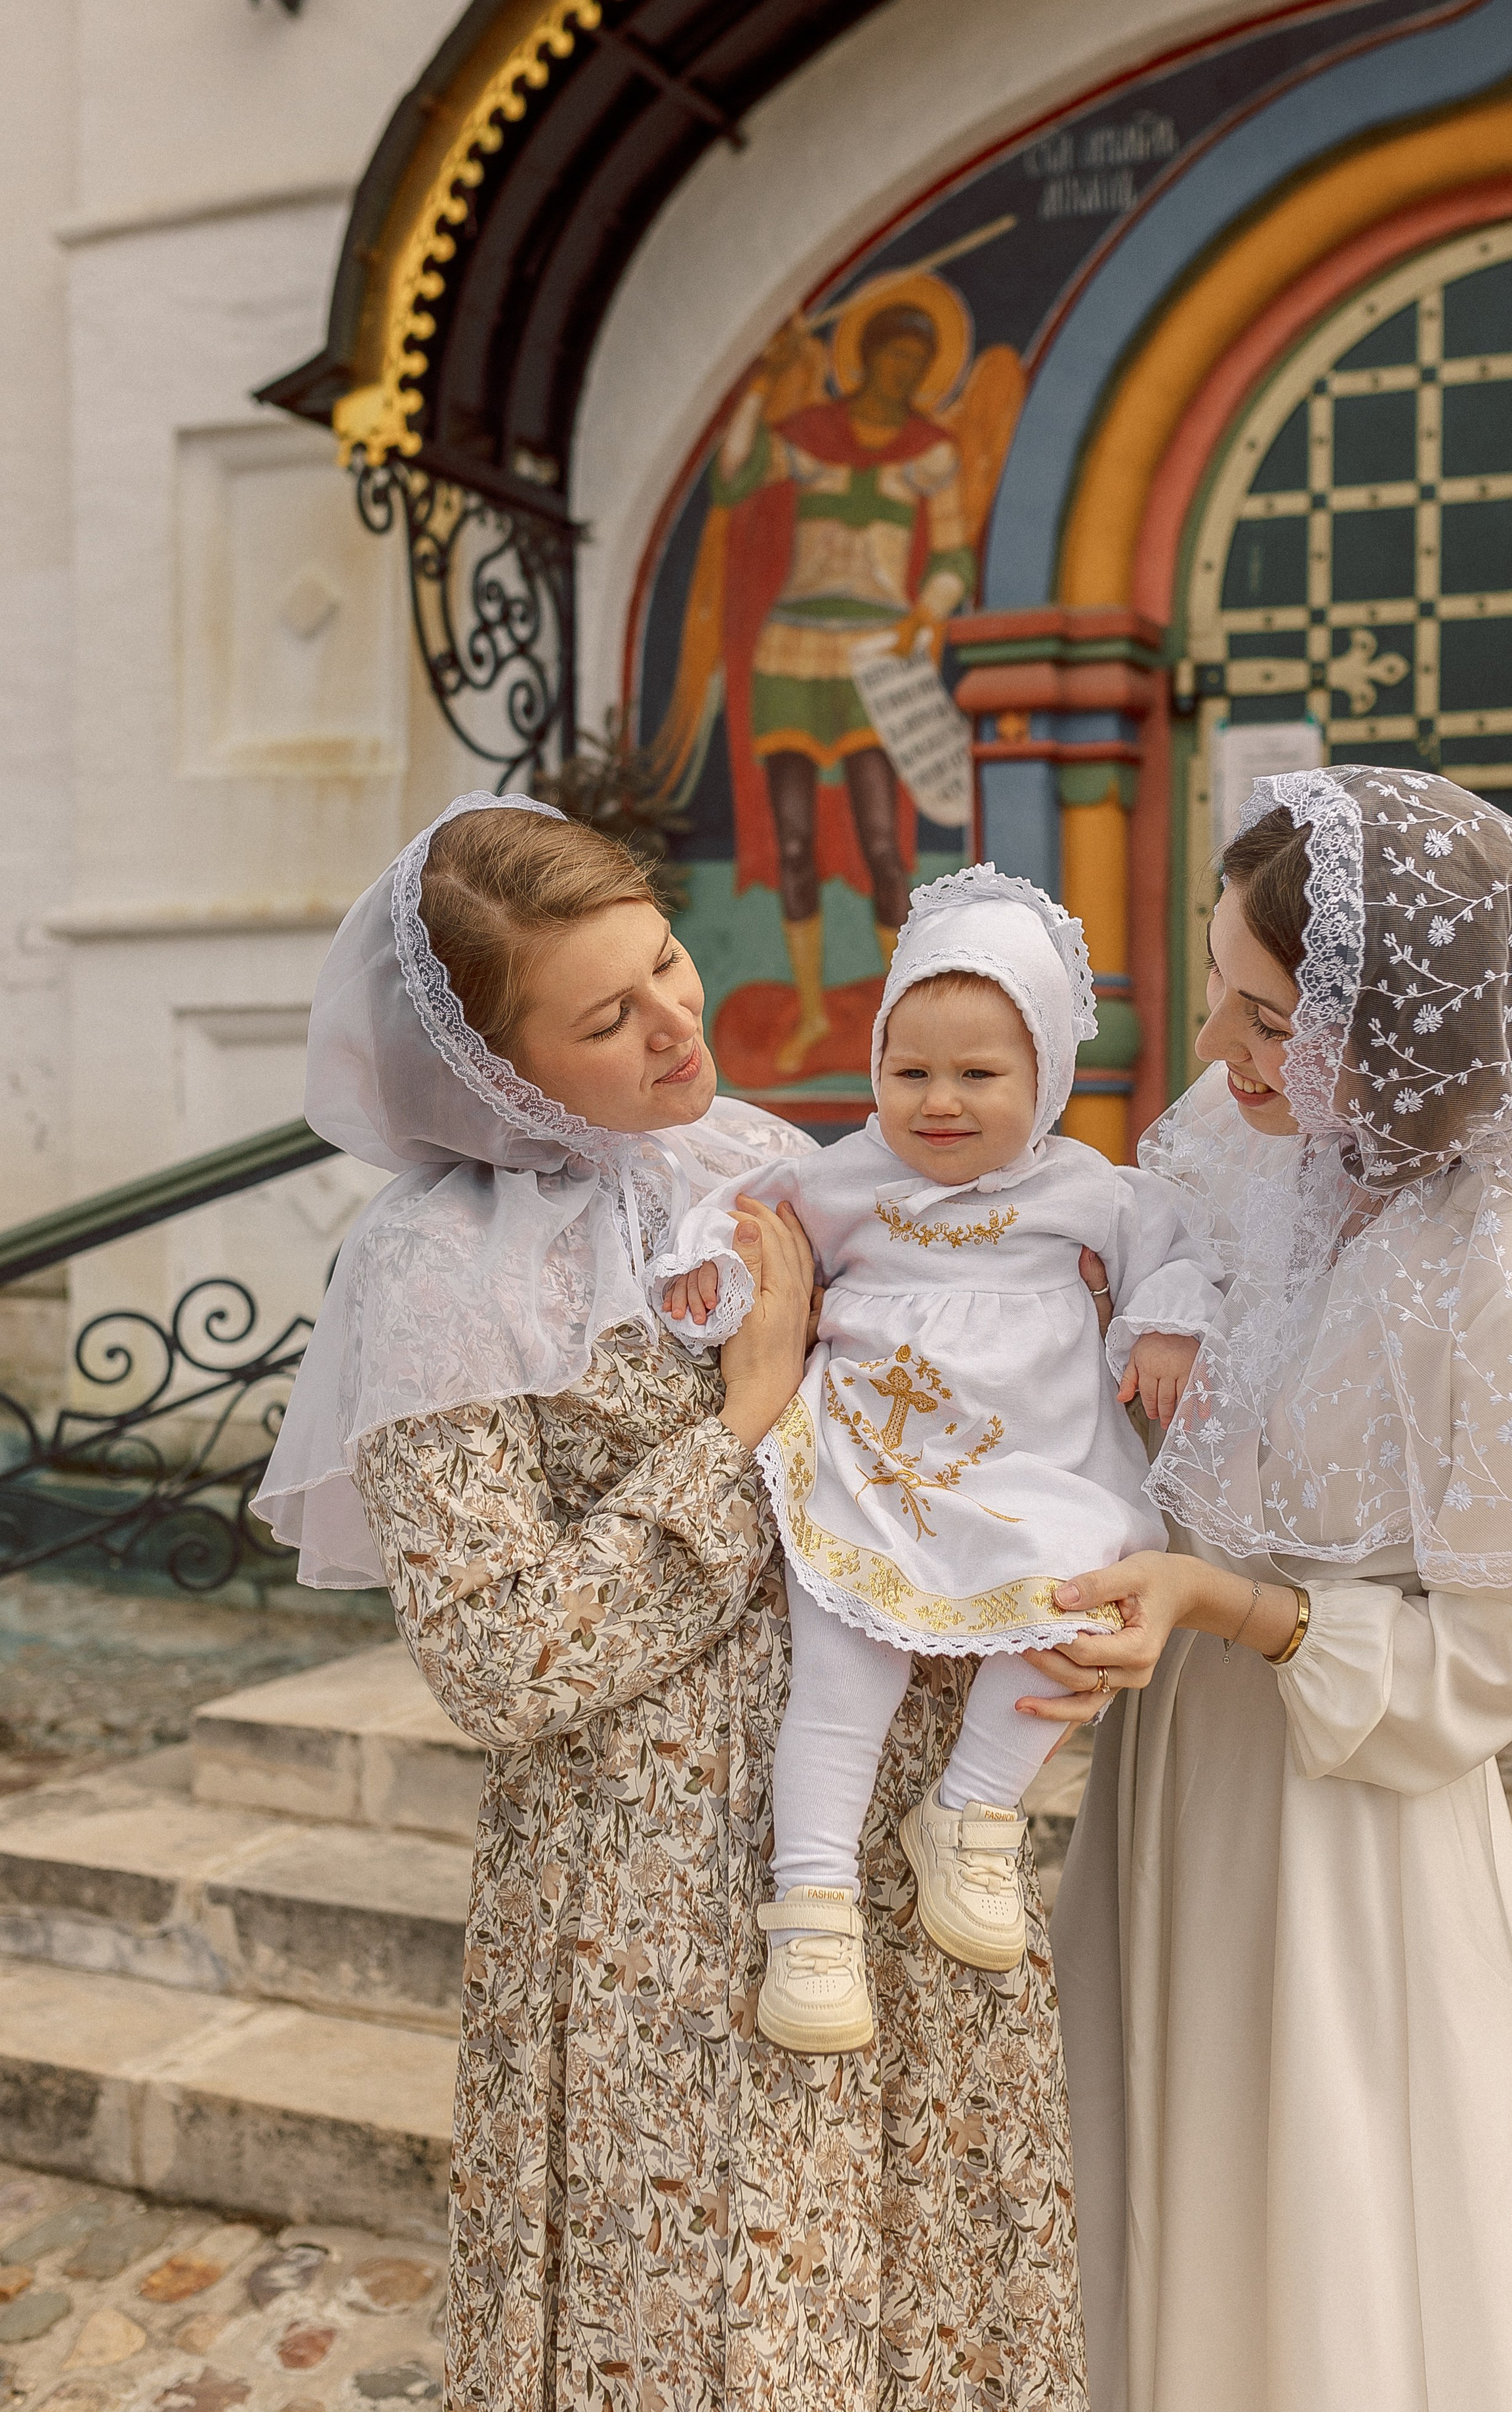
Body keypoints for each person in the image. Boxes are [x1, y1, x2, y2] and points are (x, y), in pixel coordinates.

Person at [253, 792, 1086, 2412]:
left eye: (664, 965)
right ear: (493, 1065)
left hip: (874, 1843)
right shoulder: (435, 1272)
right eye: (605, 1015)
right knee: (708, 2322)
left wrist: (1057, 1573)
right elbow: (497, 1659)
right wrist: (741, 1417)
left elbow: (963, 1421)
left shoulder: (775, 1161)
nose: (670, 1024)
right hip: (649, 1899)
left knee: (918, 2281)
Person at [1018, 766, 1512, 2412]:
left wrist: (1227, 1603)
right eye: (1220, 998)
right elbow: (1126, 1295)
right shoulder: (1250, 1149)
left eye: (1263, 1018)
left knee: (1321, 2232)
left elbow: (1499, 1655)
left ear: (1392, 1034)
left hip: (1338, 1823)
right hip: (1170, 1761)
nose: (1221, 1053)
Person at [652, 867, 1218, 2050]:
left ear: (1047, 1079)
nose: (939, 1103)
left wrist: (1163, 1322)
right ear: (876, 1069)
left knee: (1072, 1601)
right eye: (910, 1072)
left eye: (980, 1075)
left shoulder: (1086, 1187)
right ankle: (811, 1913)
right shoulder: (847, 1175)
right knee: (845, 1677)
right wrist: (711, 1266)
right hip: (878, 1458)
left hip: (1037, 1463)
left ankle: (973, 1815)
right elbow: (740, 1213)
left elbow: (1178, 1245)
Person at [712, 302, 973, 1072]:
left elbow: (955, 556)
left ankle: (902, 1022)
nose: (904, 374)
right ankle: (813, 1013)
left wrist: (927, 612)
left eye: (916, 364)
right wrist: (763, 383)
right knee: (794, 842)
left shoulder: (930, 454)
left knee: (882, 844)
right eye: (893, 357)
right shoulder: (809, 441)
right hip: (791, 651)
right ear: (865, 359)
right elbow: (732, 478)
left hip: (874, 658)